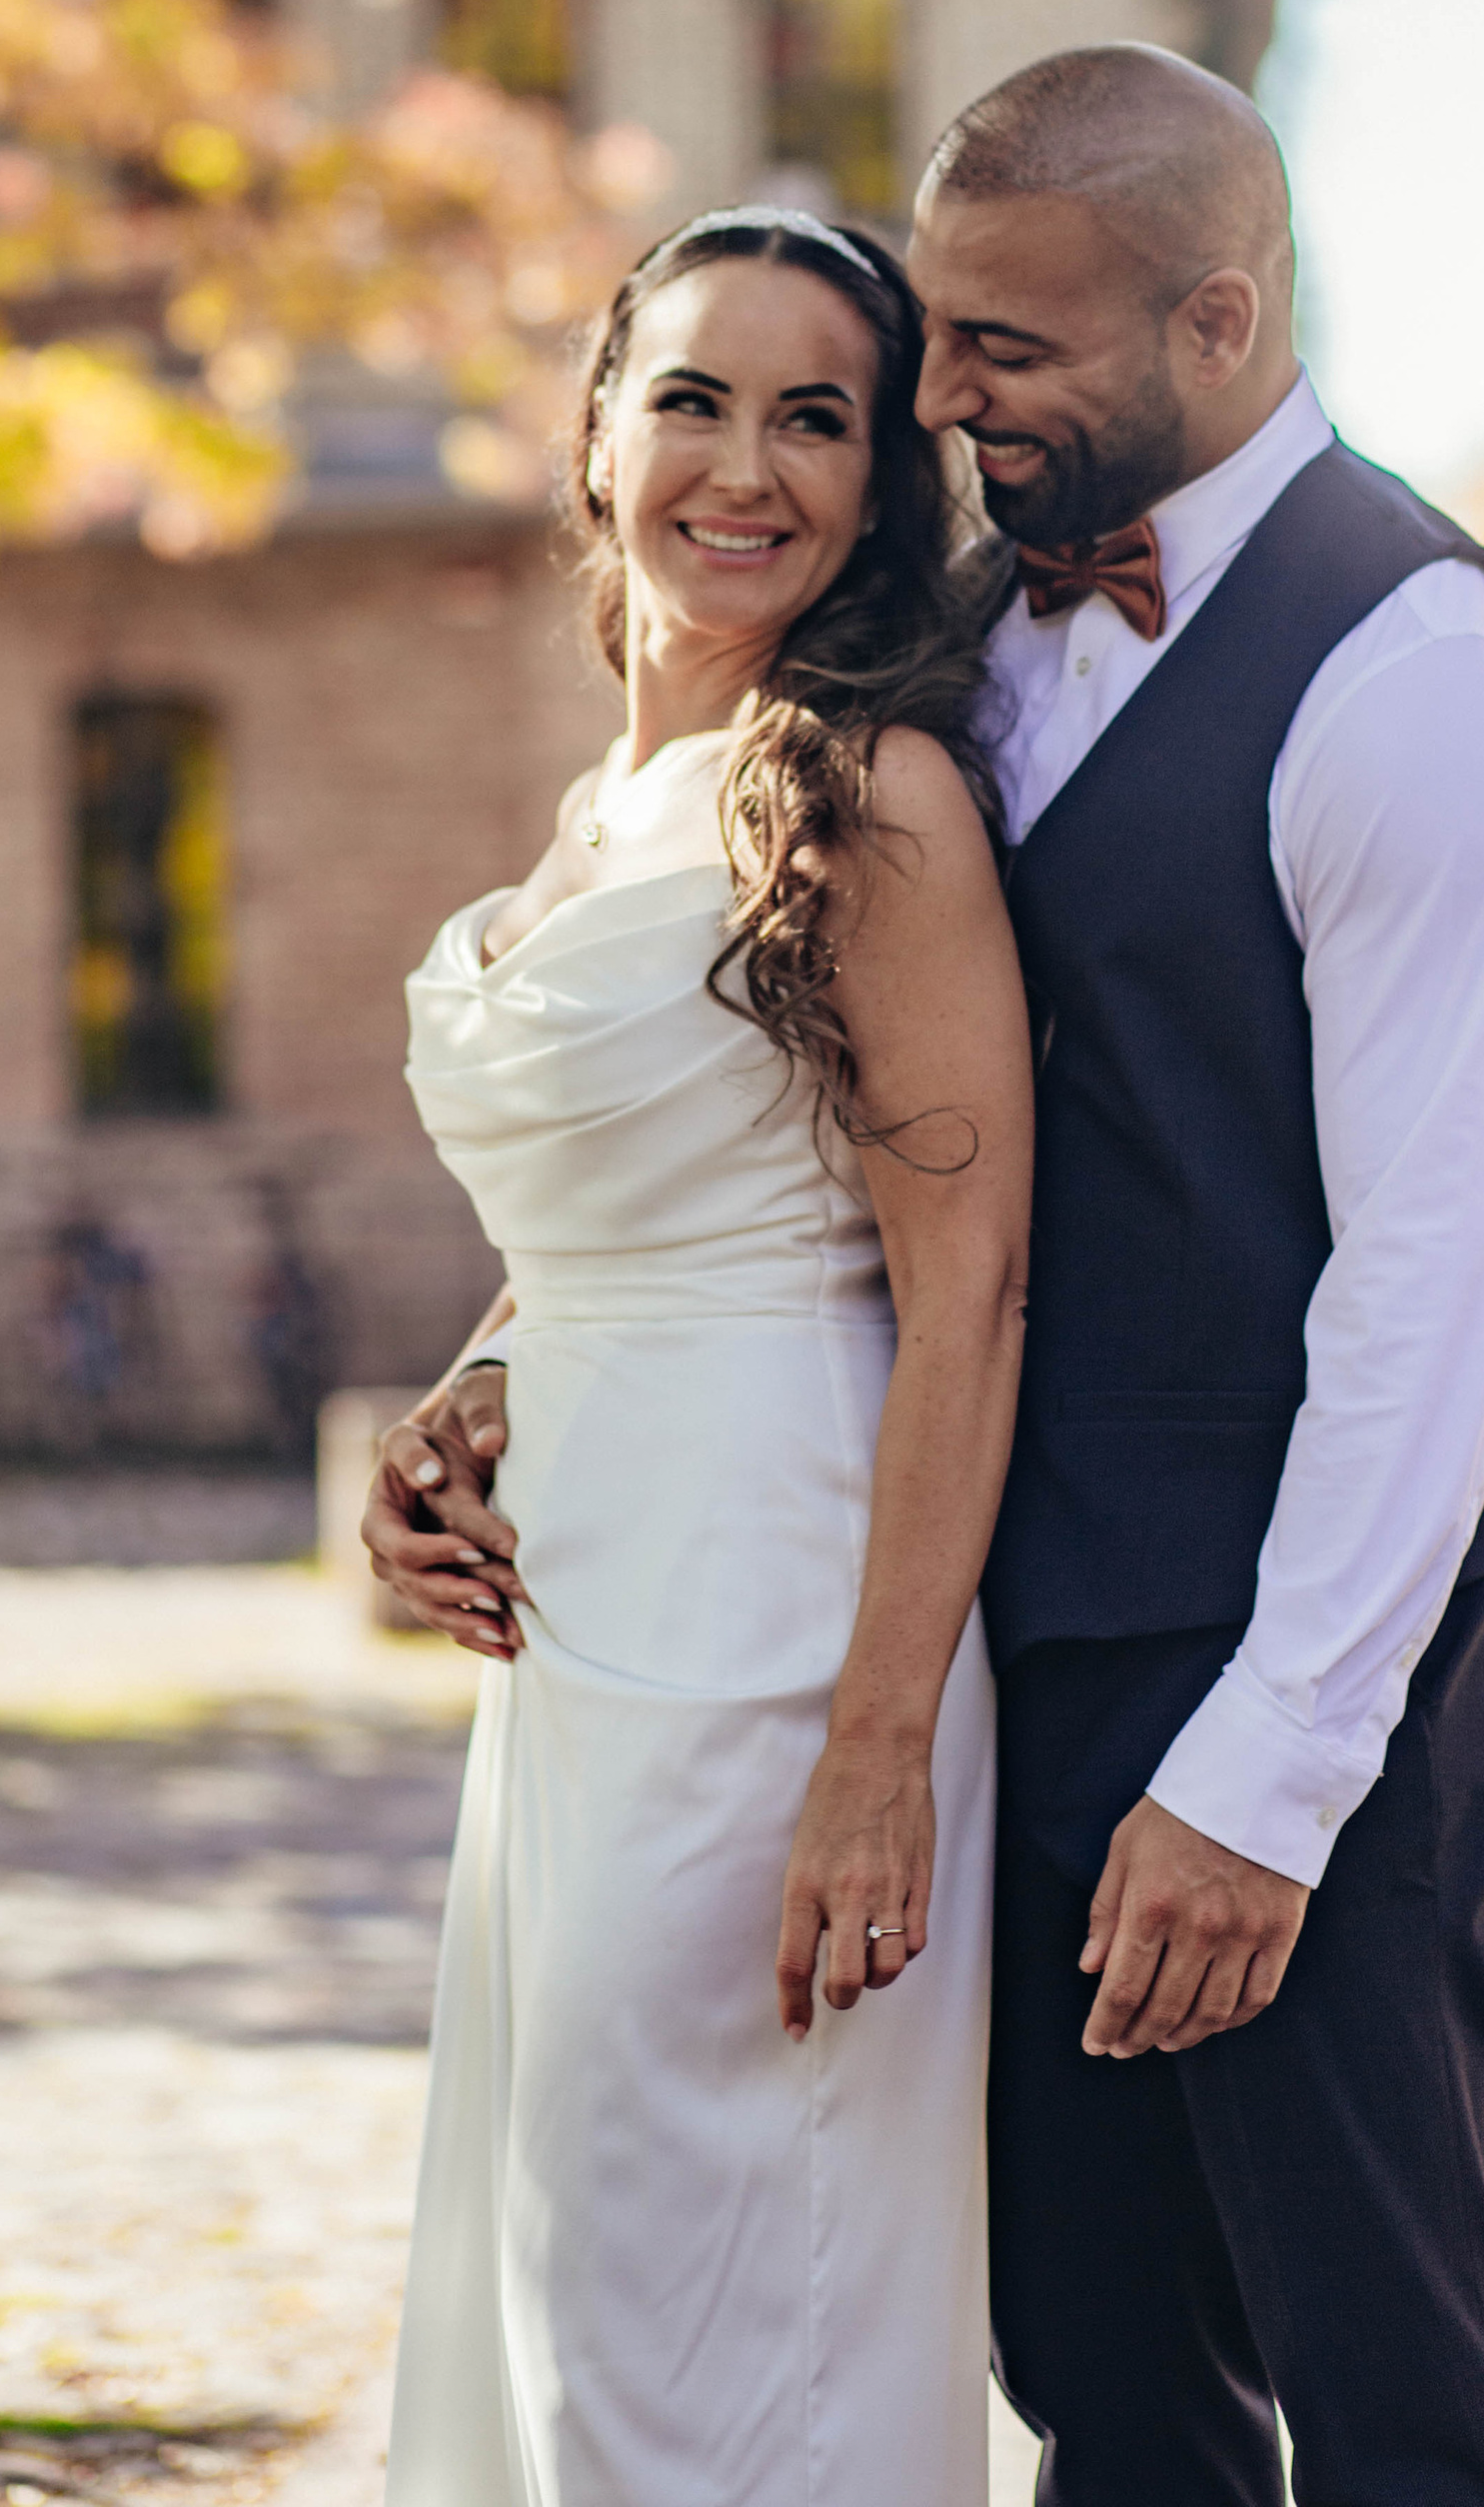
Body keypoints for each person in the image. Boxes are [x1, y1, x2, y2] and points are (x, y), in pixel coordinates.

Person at [906, 43, 1484, 2507]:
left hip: (1302, 1671)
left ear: (1215, 323)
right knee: (1100, 2366)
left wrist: (1266, 1777)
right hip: (1026, 1641)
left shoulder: (1431, 686)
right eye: (929, 330)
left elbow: (1436, 1293)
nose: (941, 398)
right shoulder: (973, 636)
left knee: (1384, 2367)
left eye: (1004, 347)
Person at [366, 207, 1034, 2507]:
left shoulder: (870, 802)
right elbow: (623, 1228)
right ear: (595, 434)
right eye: (690, 396)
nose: (740, 464)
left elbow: (962, 1290)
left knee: (732, 2299)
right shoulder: (600, 821)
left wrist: (876, 1750)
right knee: (574, 2273)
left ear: (874, 484)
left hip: (781, 1621)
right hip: (575, 1641)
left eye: (814, 415)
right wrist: (462, 1402)